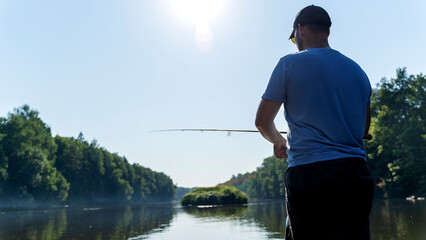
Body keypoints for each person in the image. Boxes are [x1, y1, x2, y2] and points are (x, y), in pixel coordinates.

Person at [255, 5, 374, 240]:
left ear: (299, 29)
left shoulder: (288, 64)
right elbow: (363, 130)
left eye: (293, 37)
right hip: (355, 176)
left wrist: (279, 140)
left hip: (310, 177)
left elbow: (262, 121)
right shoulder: (359, 72)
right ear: (327, 31)